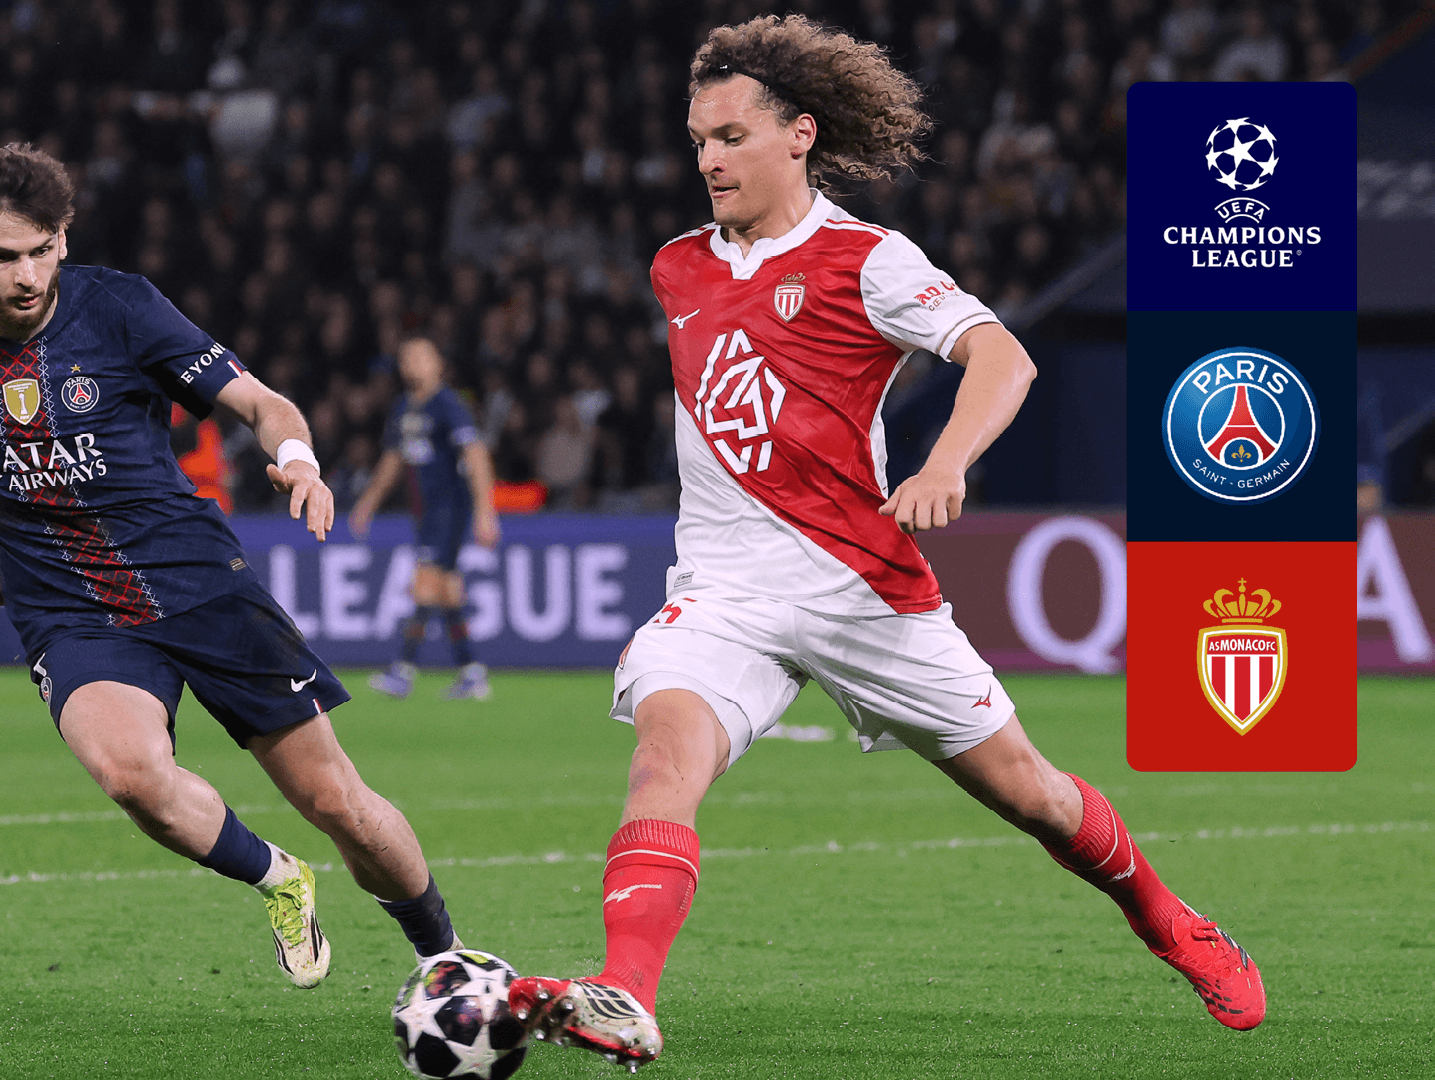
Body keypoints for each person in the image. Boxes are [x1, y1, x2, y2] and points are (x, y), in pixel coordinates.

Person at [508, 16, 1265, 1067]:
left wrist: (945, 464)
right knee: (663, 764)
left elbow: (1002, 359)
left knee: (1034, 796)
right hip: (724, 592)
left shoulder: (865, 260)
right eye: (699, 141)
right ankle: (625, 994)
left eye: (730, 137)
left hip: (861, 587)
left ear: (800, 134)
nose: (709, 160)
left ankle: (1167, 919)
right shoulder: (678, 266)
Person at [0, 144, 461, 988]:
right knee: (130, 776)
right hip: (69, 608)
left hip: (197, 581)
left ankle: (448, 958)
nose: (27, 275)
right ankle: (277, 877)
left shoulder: (121, 308)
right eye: (3, 256)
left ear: (64, 239)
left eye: (41, 249)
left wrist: (298, 460)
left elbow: (259, 401)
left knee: (338, 803)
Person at [348, 338, 501, 701]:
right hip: (424, 510)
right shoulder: (404, 407)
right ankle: (471, 672)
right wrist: (368, 502)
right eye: (406, 359)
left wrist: (485, 511)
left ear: (438, 364)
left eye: (420, 357)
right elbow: (393, 458)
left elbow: (475, 454)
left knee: (425, 583)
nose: (411, 364)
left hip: (450, 507)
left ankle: (403, 670)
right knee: (447, 590)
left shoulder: (449, 404)